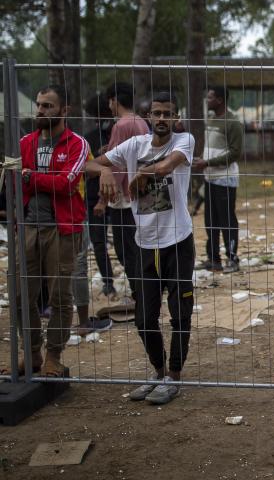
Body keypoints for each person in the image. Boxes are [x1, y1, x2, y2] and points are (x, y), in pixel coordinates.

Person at [87, 92, 196, 405]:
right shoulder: (135, 145)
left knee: (180, 313)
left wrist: (142, 174)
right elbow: (89, 163)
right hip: (145, 244)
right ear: (149, 117)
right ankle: (159, 372)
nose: (161, 119)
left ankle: (174, 377)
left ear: (176, 118)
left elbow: (168, 166)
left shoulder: (184, 140)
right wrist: (107, 171)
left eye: (167, 114)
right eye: (156, 113)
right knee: (144, 318)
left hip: (178, 242)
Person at [3, 85, 90, 378]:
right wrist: (32, 178)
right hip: (27, 227)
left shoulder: (76, 143)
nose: (40, 110)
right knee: (19, 294)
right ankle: (31, 353)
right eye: (39, 105)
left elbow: (67, 184)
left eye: (48, 106)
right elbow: (15, 183)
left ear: (64, 111)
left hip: (62, 229)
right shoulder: (25, 142)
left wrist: (30, 176)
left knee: (59, 296)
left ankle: (54, 355)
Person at [103, 82, 150, 285]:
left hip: (123, 196)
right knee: (136, 245)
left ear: (115, 100)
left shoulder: (121, 125)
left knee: (125, 250)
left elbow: (116, 164)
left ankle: (138, 291)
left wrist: (104, 197)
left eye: (110, 101)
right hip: (140, 190)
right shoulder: (140, 121)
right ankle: (142, 289)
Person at [193, 86, 243, 273]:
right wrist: (204, 161)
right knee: (211, 220)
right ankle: (214, 259)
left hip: (225, 179)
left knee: (227, 220)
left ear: (220, 100)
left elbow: (235, 153)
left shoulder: (233, 123)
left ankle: (232, 258)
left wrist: (208, 162)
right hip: (210, 178)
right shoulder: (213, 120)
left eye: (211, 97)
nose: (207, 100)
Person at [81, 92, 116, 299]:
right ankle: (108, 282)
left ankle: (129, 279)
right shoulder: (89, 138)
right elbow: (85, 167)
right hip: (95, 195)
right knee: (99, 241)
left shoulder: (118, 132)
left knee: (122, 242)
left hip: (118, 195)